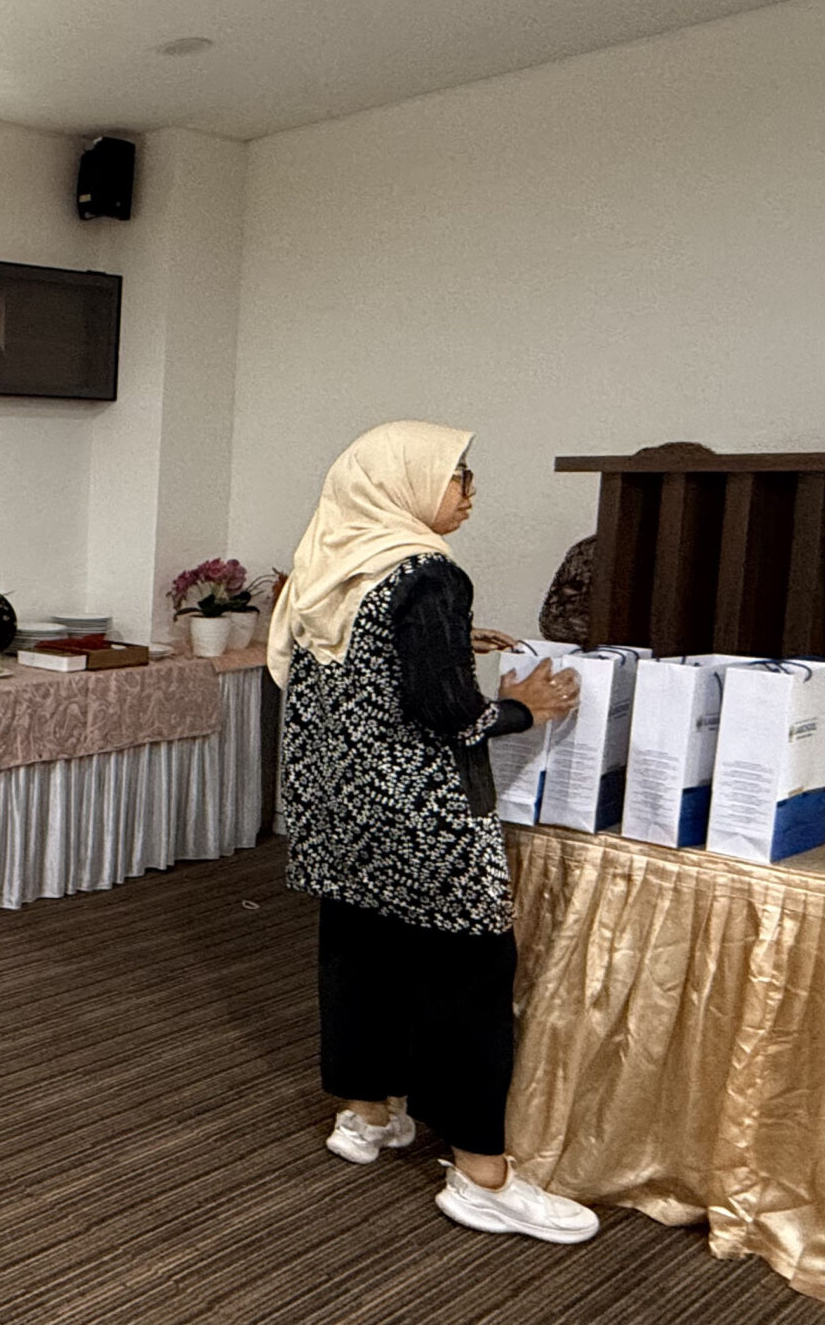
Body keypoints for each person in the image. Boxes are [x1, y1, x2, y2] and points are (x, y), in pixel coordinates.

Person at [270, 420, 600, 1245]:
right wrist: (526, 706)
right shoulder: (428, 574)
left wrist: (448, 645)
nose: (469, 490)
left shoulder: (329, 563)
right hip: (423, 822)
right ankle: (483, 1175)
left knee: (358, 955)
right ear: (404, 484)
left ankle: (366, 1114)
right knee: (469, 980)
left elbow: (355, 672)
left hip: (339, 814)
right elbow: (450, 714)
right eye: (457, 474)